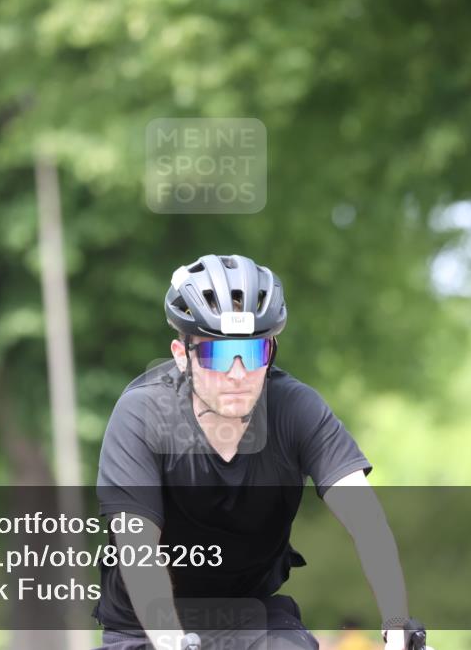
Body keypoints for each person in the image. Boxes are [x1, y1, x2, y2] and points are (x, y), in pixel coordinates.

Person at [93, 254, 428, 650]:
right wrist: (171, 640)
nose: (237, 373)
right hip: (143, 624)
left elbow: (367, 522)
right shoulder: (142, 414)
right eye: (217, 354)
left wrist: (396, 623)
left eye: (253, 354)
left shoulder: (295, 409)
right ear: (182, 356)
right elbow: (138, 549)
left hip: (250, 614)